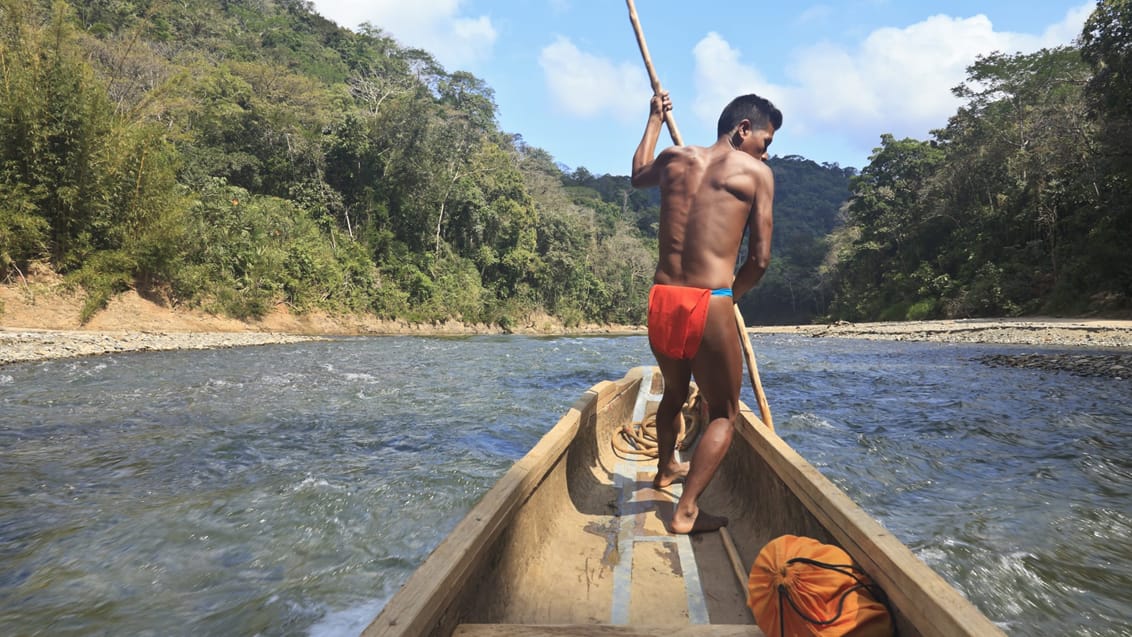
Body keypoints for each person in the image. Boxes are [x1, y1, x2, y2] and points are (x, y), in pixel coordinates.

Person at [631, 91, 781, 534]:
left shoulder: (675, 158)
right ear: (743, 130)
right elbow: (760, 260)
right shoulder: (757, 173)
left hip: (662, 298)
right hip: (707, 299)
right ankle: (687, 510)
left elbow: (639, 174)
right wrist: (730, 298)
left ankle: (664, 470)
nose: (766, 151)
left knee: (674, 393)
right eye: (765, 140)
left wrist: (655, 119)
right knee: (723, 414)